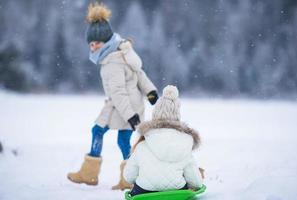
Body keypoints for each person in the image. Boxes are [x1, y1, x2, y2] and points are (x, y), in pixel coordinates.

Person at [67, 3, 158, 190]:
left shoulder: (111, 63)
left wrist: (131, 116)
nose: (92, 48)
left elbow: (118, 93)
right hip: (127, 105)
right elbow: (139, 73)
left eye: (95, 43)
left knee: (109, 135)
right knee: (110, 135)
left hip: (123, 107)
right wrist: (150, 91)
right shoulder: (123, 52)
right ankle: (108, 176)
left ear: (106, 41)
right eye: (90, 44)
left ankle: (123, 177)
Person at [124, 85, 203, 196]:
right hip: (176, 192)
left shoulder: (142, 145)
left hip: (144, 192)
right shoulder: (185, 143)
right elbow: (196, 182)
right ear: (177, 115)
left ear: (155, 113)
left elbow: (128, 176)